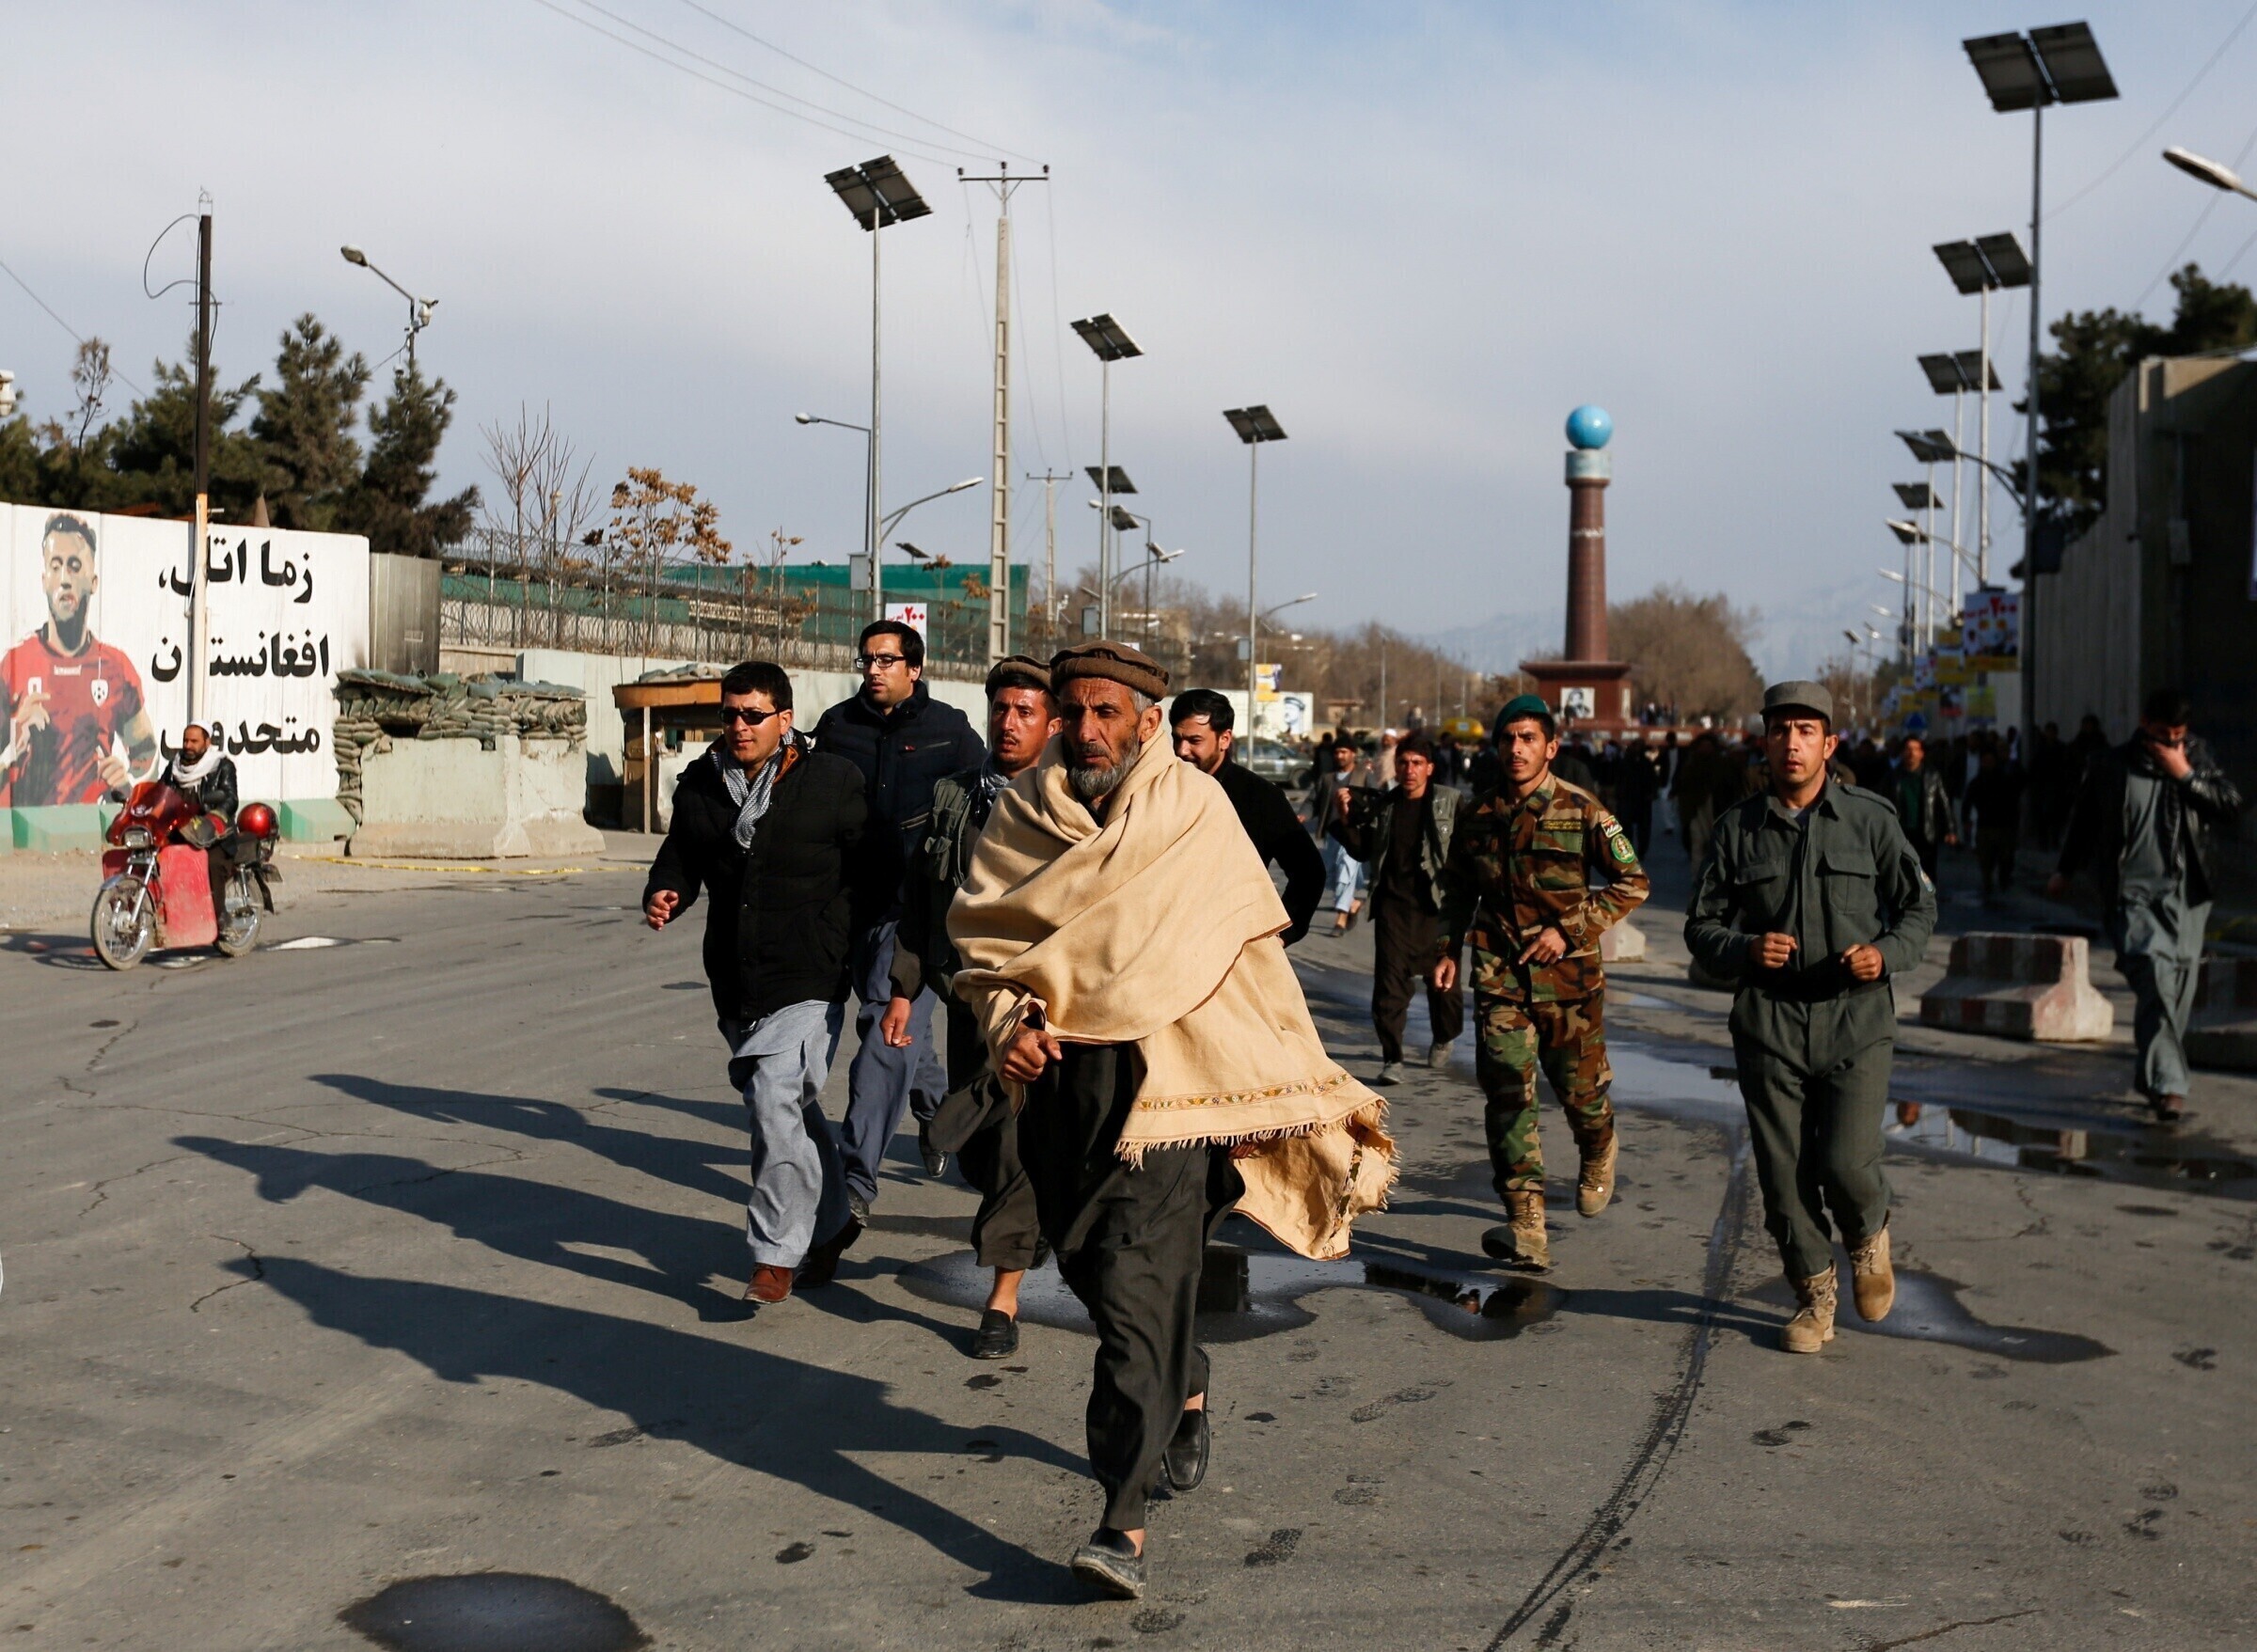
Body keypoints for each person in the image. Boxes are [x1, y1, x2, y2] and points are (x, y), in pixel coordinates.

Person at [947, 640, 1393, 1601]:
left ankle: (1122, 1518)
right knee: (1095, 1273)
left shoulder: (1196, 811)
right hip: (1061, 1091)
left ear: (1147, 721)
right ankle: (1187, 1374)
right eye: (1075, 710)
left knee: (1134, 1292)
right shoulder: (1024, 812)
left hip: (1171, 1094)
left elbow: (1246, 963)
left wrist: (1261, 1089)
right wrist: (1008, 1026)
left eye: (1107, 711)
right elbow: (987, 951)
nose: (1087, 729)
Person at [1685, 682, 1936, 1356]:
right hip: (1769, 1023)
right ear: (1764, 742)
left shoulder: (1870, 819)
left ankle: (1867, 1233)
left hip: (1856, 1019)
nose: (1792, 743)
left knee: (1847, 1160)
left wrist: (1884, 955)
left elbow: (1918, 909)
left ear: (1829, 744)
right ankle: (1815, 1294)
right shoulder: (1738, 829)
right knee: (1783, 1175)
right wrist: (1745, 948)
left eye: (1805, 731)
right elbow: (1700, 927)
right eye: (1780, 730)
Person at [643, 661, 869, 1305]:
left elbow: (871, 870)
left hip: (809, 975)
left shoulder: (833, 781)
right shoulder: (703, 782)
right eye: (730, 715)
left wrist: (878, 963)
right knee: (788, 1105)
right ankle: (833, 1218)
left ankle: (775, 1252)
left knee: (772, 1099)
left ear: (785, 719)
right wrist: (668, 890)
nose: (739, 727)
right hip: (738, 978)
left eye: (753, 715)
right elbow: (683, 852)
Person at [882, 656, 1060, 1359]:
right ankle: (1023, 1217)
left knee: (1015, 1147)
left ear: (1052, 725)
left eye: (1025, 712)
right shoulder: (955, 796)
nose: (1009, 722)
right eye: (1001, 709)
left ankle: (1002, 1300)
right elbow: (924, 899)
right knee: (981, 1156)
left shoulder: (1071, 803)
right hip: (967, 999)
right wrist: (905, 989)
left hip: (1038, 1007)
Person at [1433, 694, 1649, 1270]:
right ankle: (1526, 1222)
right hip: (1500, 976)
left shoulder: (1582, 810)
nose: (1517, 749)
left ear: (1550, 747)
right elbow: (1457, 890)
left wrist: (1568, 930)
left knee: (1581, 1096)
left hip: (1569, 981)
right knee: (1507, 1091)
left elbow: (1632, 882)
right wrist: (1446, 949)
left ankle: (1598, 1146)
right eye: (1508, 739)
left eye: (1528, 738)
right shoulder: (1478, 815)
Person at [810, 620, 986, 1212]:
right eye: (867, 660)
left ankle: (855, 1182)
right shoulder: (837, 727)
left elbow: (983, 808)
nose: (874, 670)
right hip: (849, 905)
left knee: (884, 1031)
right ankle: (937, 1112)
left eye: (886, 660)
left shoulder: (949, 731)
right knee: (901, 1028)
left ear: (915, 668)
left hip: (916, 915)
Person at [2050, 688, 2245, 1123]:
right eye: (2162, 734)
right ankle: (2170, 1086)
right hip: (2131, 896)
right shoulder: (2110, 764)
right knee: (2154, 975)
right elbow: (2085, 821)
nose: (2170, 743)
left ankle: (2152, 1075)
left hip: (2187, 895)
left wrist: (2186, 775)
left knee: (2177, 990)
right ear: (2143, 724)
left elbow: (2231, 807)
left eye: (2178, 735)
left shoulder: (2197, 759)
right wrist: (2065, 870)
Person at [1326, 731, 1464, 1085]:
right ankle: (1393, 1057)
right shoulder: (1385, 805)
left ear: (1430, 767)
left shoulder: (1450, 803)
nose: (1409, 770)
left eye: (1417, 763)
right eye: (1403, 763)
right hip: (1393, 910)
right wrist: (1345, 817)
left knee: (1444, 988)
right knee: (1389, 988)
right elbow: (1362, 850)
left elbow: (1467, 853)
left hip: (1436, 911)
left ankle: (1444, 1035)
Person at [1, 513, 158, 808]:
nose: (64, 579)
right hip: (25, 830)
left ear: (93, 582)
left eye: (74, 567)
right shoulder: (15, 664)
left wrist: (128, 781)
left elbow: (147, 756)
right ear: (44, 579)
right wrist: (13, 738)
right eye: (55, 566)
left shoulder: (115, 667)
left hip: (90, 828)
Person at [1170, 688, 1325, 943]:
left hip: (1226, 945)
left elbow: (1309, 872)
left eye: (1194, 741)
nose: (1181, 750)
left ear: (1224, 739)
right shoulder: (1162, 789)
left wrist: (1278, 936)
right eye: (1177, 739)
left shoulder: (1260, 797)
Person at [157, 721, 240, 925]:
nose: (188, 745)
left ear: (207, 742)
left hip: (215, 834)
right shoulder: (174, 767)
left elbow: (231, 799)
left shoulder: (221, 766)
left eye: (194, 741)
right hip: (181, 829)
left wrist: (213, 816)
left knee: (211, 863)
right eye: (186, 740)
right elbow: (159, 792)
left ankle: (219, 918)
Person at [1305, 736, 1374, 936]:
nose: (1340, 756)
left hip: (1354, 833)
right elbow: (1313, 801)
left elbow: (1376, 799)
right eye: (1337, 752)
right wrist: (1303, 815)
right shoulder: (1328, 778)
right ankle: (1354, 903)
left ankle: (1341, 919)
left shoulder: (1363, 775)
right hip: (1333, 834)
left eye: (1344, 752)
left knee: (1346, 869)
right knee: (1335, 875)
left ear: (1353, 753)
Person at [1962, 738, 2025, 902]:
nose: (1988, 764)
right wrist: (1966, 821)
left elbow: (2013, 803)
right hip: (1984, 827)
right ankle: (1988, 884)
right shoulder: (1977, 782)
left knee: (2005, 859)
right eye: (1985, 761)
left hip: (2003, 827)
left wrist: (2013, 825)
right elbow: (1967, 802)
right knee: (1985, 861)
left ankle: (2003, 881)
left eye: (1990, 761)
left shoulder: (2005, 780)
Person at [1890, 733, 1957, 881]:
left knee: (1927, 874)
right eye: (1908, 749)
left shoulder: (1932, 776)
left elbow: (1944, 803)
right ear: (1902, 753)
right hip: (1902, 833)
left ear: (1922, 753)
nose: (1911, 753)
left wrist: (1950, 829)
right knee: (1904, 874)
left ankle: (1927, 895)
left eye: (1915, 749)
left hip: (1926, 833)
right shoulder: (1893, 777)